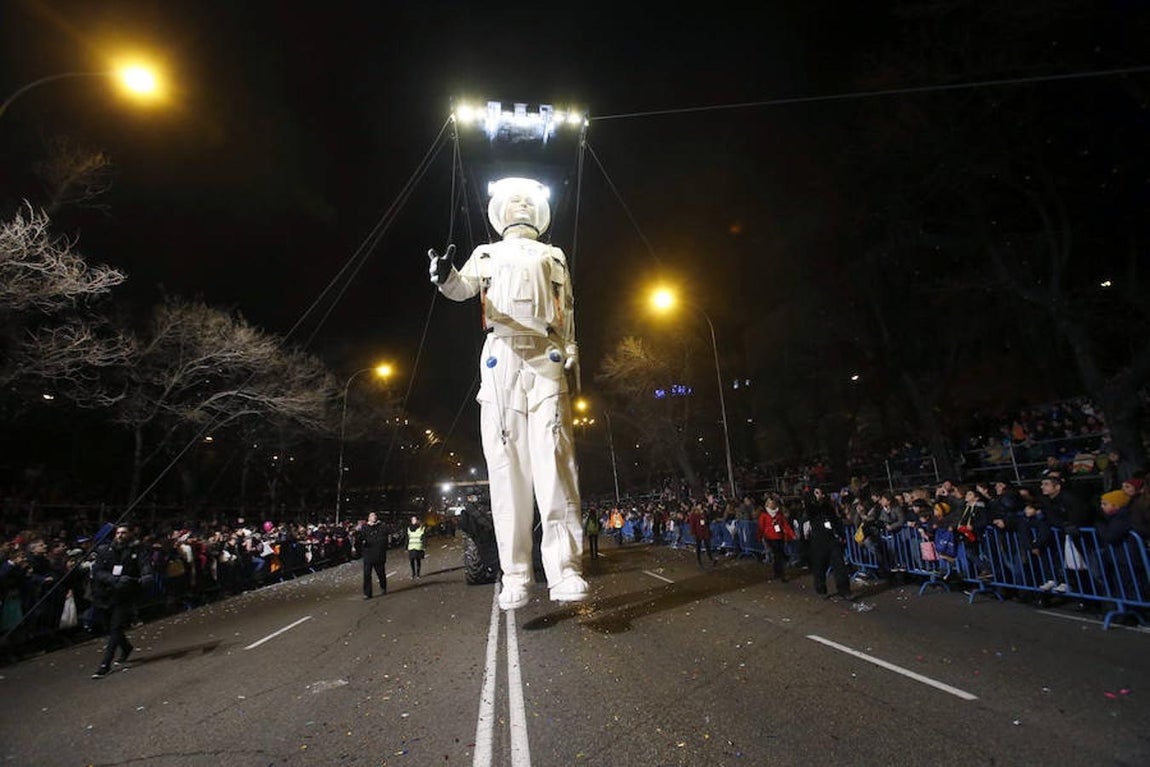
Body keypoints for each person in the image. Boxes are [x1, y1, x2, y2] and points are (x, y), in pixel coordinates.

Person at [428, 177, 587, 610]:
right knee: (506, 467)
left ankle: (565, 568)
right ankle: (515, 574)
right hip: (501, 355)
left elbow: (567, 306)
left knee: (555, 461)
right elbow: (462, 288)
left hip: (545, 353)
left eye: (526, 199)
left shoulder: (554, 255)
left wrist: (571, 346)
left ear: (538, 210)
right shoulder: (486, 253)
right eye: (511, 199)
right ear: (499, 210)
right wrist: (444, 276)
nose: (519, 204)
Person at [90, 525, 153, 679]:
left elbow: (144, 565)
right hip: (104, 593)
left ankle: (105, 664)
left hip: (124, 594)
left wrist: (146, 576)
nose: (120, 535)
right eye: (118, 533)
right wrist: (114, 579)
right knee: (109, 628)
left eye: (124, 532)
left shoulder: (137, 550)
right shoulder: (104, 550)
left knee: (115, 627)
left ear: (130, 534)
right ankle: (126, 648)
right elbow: (98, 572)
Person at [806, 488, 852, 600]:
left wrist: (841, 535)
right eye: (817, 492)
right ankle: (821, 589)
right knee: (819, 566)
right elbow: (810, 508)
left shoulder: (828, 507)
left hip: (831, 539)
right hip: (818, 541)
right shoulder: (812, 508)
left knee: (839, 565)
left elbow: (835, 520)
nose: (820, 494)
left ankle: (844, 590)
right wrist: (815, 499)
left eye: (820, 492)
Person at [757, 495, 794, 581]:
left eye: (773, 503)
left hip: (779, 537)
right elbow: (761, 527)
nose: (772, 505)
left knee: (778, 555)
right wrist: (759, 537)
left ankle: (777, 572)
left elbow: (785, 525)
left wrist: (791, 534)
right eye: (770, 503)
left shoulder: (779, 514)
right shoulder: (764, 515)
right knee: (778, 555)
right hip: (769, 537)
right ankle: (781, 573)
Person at [357, 512, 388, 599]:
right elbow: (360, 539)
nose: (374, 517)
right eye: (371, 516)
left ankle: (383, 587)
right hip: (368, 554)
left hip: (379, 554)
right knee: (367, 575)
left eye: (375, 516)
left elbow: (385, 537)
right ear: (368, 518)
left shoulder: (382, 527)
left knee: (381, 573)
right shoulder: (365, 527)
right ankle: (367, 593)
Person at [687, 503, 716, 569]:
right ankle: (699, 561)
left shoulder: (703, 513)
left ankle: (711, 559)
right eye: (699, 505)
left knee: (707, 546)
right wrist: (693, 533)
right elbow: (692, 525)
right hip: (698, 533)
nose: (700, 507)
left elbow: (706, 522)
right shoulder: (693, 515)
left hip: (704, 532)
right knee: (698, 547)